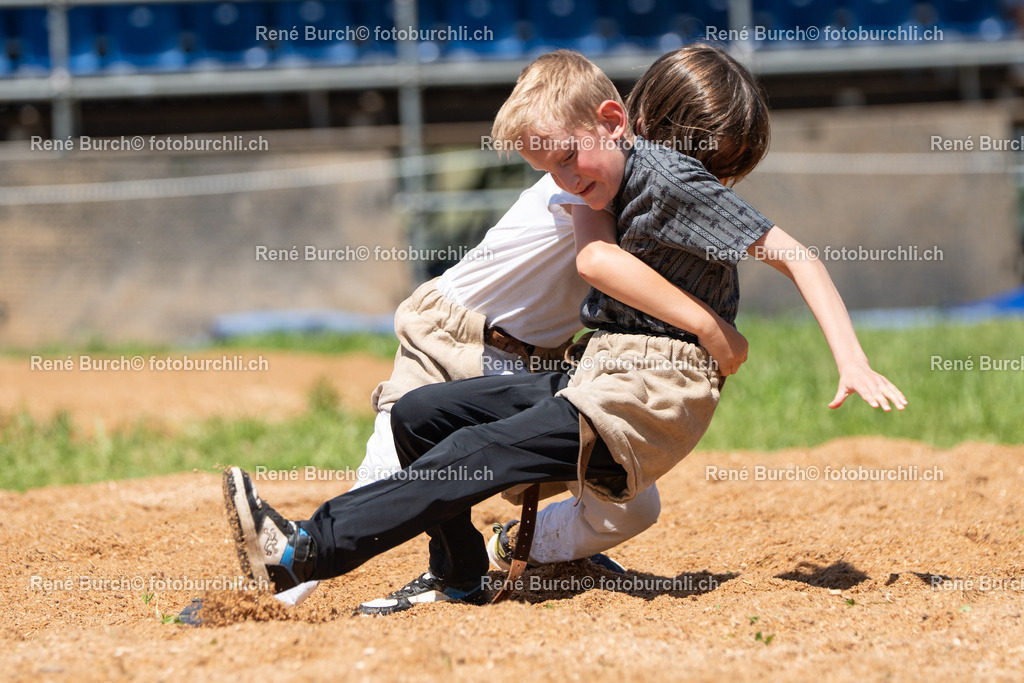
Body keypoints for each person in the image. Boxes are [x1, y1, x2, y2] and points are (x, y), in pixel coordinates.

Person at [221, 45, 906, 616]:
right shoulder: (597, 182)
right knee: (422, 417)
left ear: (624, 120)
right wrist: (710, 322)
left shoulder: (667, 177)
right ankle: (459, 571)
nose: (565, 178)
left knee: (481, 451)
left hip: (640, 388)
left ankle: (302, 551)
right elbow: (596, 253)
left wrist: (850, 360)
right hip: (553, 360)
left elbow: (789, 254)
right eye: (551, 166)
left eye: (570, 160)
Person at [274, 57, 751, 609]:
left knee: (633, 506)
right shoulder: (586, 180)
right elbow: (599, 261)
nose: (707, 182)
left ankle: (521, 549)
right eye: (703, 160)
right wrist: (709, 326)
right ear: (636, 125)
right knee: (389, 465)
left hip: (538, 362)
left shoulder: (629, 180)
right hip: (458, 333)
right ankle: (290, 580)